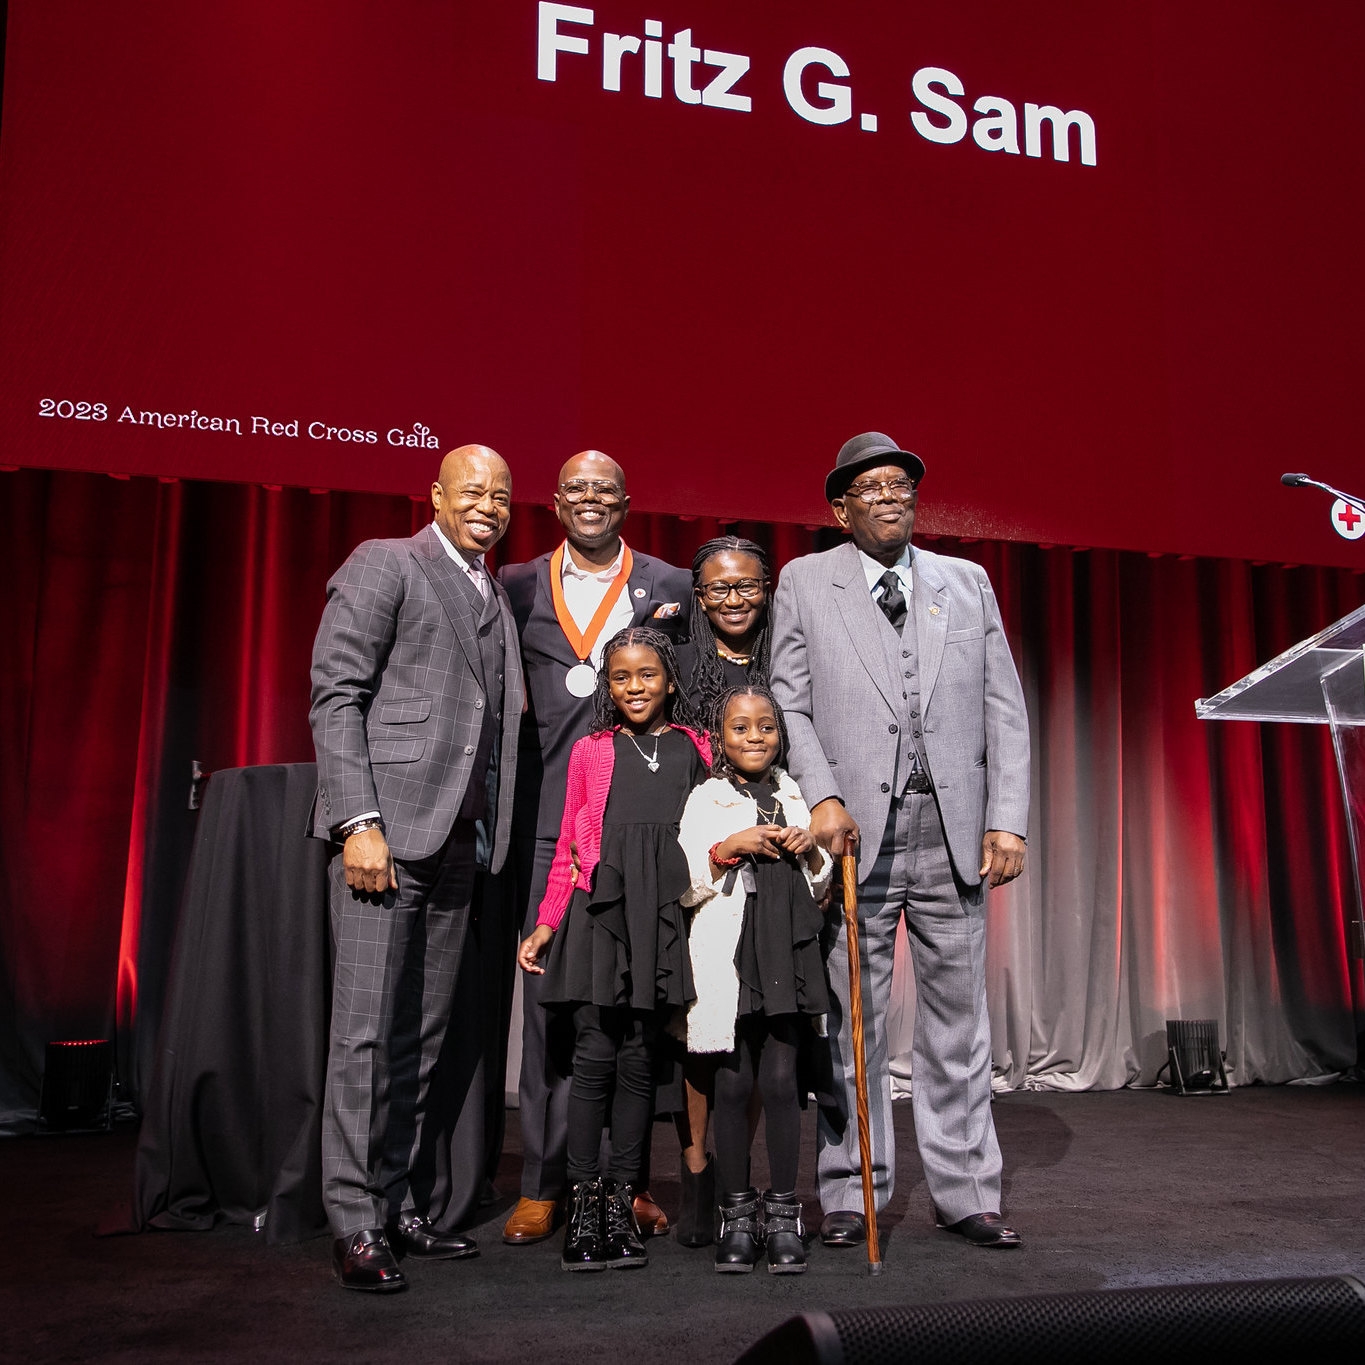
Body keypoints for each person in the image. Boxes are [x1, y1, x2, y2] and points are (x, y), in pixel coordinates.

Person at [771, 431, 1030, 1251]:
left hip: (949, 829)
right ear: (839, 507)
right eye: (869, 487)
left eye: (900, 485)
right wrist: (824, 797)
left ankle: (967, 1191)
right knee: (853, 1022)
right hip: (855, 834)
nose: (889, 497)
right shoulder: (805, 581)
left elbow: (1003, 706)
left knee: (959, 1024)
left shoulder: (966, 582)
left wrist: (1007, 817)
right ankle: (851, 1190)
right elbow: (790, 701)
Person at [309, 445, 524, 1292]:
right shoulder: (385, 562)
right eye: (472, 490)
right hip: (385, 839)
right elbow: (336, 692)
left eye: (501, 496)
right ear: (434, 495)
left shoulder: (492, 591)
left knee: (422, 1036)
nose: (488, 505)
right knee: (364, 1034)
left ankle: (396, 1200)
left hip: (460, 843)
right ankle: (354, 1219)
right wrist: (357, 819)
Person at [498, 452, 690, 1246]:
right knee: (559, 1007)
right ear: (553, 502)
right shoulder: (512, 585)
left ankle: (628, 1183)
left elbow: (699, 687)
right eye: (574, 489)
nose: (588, 500)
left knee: (640, 1004)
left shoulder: (672, 585)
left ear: (625, 503)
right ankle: (547, 1183)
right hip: (549, 814)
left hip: (643, 828)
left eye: (602, 491)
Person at [518, 627, 710, 1272]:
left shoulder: (694, 748)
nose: (635, 687)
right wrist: (547, 922)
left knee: (639, 1056)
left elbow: (710, 828)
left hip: (660, 913)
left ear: (670, 681)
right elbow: (570, 846)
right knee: (594, 1052)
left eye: (647, 675)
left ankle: (627, 1193)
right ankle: (584, 1199)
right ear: (608, 685)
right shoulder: (591, 750)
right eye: (622, 677)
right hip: (598, 910)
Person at [677, 685, 833, 1274]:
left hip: (785, 954)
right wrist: (727, 848)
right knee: (735, 1084)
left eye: (765, 726)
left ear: (780, 734)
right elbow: (686, 879)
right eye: (740, 728)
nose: (755, 737)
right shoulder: (706, 798)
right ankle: (737, 1214)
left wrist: (807, 848)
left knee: (782, 1080)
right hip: (730, 953)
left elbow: (819, 887)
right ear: (720, 737)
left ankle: (785, 1212)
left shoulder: (794, 792)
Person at [670, 535, 774, 1245]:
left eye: (746, 585)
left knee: (758, 1026)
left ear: (765, 588)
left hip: (772, 864)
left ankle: (740, 1177)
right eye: (719, 588)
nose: (733, 599)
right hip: (693, 859)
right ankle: (695, 1174)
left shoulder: (784, 659)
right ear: (698, 595)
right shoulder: (675, 663)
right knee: (699, 1030)